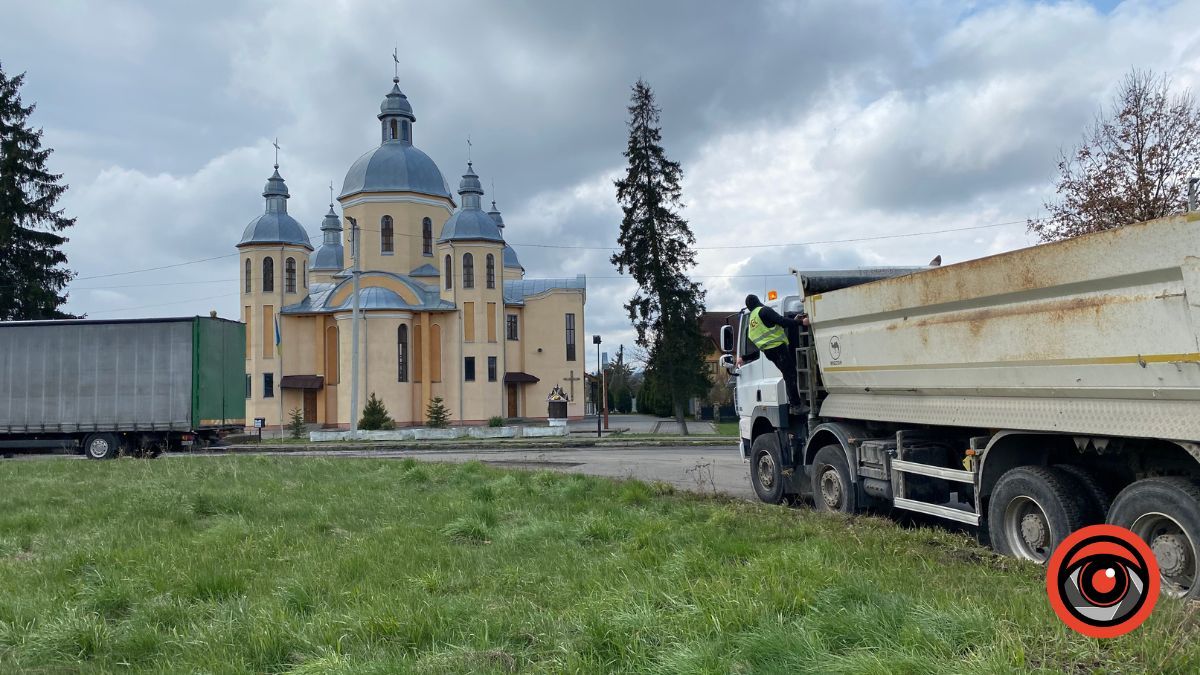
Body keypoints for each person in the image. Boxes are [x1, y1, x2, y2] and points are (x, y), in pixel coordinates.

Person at [745, 294, 804, 410]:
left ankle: (794, 403)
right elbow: (781, 321)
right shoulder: (764, 311)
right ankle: (796, 405)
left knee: (787, 374)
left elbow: (756, 336)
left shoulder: (752, 319)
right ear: (757, 300)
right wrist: (800, 323)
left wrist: (793, 320)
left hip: (769, 352)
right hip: (778, 347)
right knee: (790, 374)